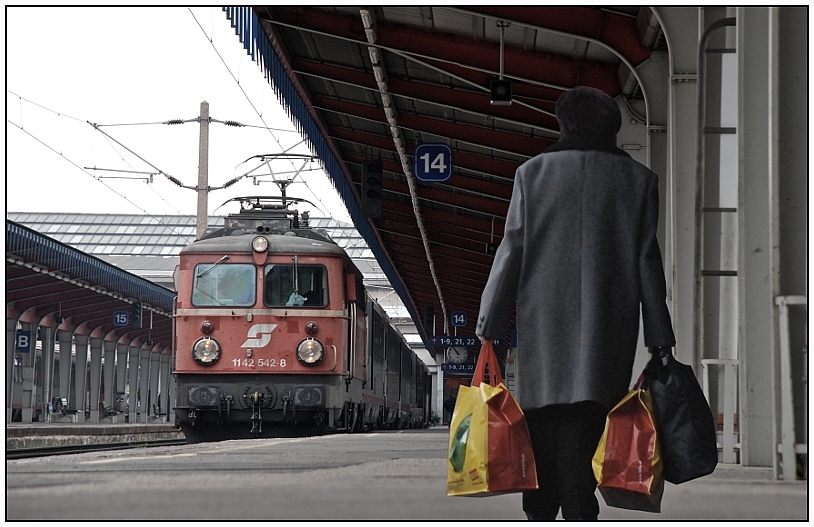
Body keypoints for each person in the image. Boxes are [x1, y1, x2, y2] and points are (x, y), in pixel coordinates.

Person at [475, 86, 675, 521]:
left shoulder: (532, 174)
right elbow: (647, 263)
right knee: (592, 415)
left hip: (544, 321)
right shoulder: (639, 181)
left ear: (563, 123)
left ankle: (542, 506)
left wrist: (488, 324)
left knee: (545, 416)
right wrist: (660, 337)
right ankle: (581, 503)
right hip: (610, 321)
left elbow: (511, 251)